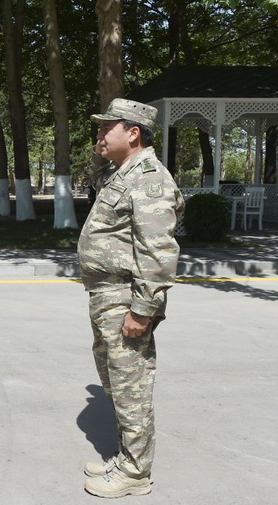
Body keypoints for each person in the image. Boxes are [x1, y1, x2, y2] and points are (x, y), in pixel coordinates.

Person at [78, 99, 185, 498]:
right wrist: (100, 148)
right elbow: (94, 177)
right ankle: (126, 458)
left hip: (126, 297)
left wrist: (142, 310)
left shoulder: (149, 179)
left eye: (108, 128)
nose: (100, 135)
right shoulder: (122, 173)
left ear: (134, 132)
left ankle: (136, 473)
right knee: (115, 380)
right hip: (107, 294)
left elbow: (159, 254)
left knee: (131, 386)